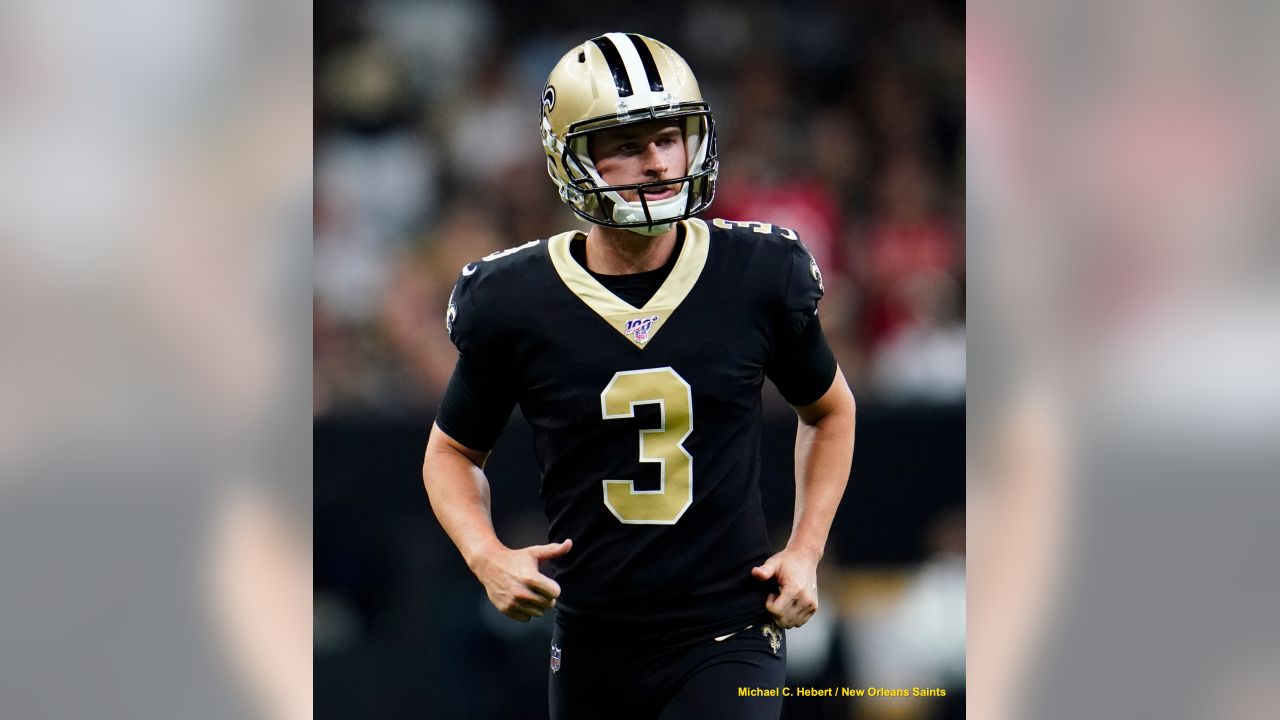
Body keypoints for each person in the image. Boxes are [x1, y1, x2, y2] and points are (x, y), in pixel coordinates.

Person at [422, 32, 855, 720]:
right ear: (571, 158)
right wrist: (485, 554)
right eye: (624, 146)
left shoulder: (757, 275)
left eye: (667, 139)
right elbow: (451, 453)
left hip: (727, 631)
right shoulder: (514, 300)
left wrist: (805, 551)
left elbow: (829, 410)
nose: (655, 164)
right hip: (592, 642)